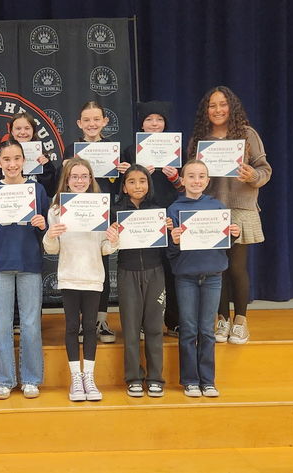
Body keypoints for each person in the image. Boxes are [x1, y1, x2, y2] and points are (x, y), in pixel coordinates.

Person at [189, 86, 272, 345]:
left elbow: (265, 169)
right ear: (206, 110)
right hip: (209, 209)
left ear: (231, 106)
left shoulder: (247, 134)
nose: (217, 110)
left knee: (236, 267)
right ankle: (222, 319)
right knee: (217, 270)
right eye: (212, 105)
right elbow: (191, 174)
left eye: (222, 104)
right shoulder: (200, 138)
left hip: (239, 209)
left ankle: (241, 321)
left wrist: (253, 176)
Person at [0, 139, 49, 400]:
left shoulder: (37, 190)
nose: (12, 164)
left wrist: (43, 223)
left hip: (29, 262)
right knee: (4, 325)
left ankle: (30, 379)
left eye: (17, 158)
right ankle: (4, 380)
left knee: (30, 324)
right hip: (0, 264)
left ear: (23, 160)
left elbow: (48, 228)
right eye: (6, 159)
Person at [43, 157, 118, 402]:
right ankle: (76, 378)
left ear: (90, 179)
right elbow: (52, 249)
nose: (79, 181)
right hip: (69, 276)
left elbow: (105, 248)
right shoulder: (56, 208)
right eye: (74, 176)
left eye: (84, 176)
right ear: (67, 179)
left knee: (89, 328)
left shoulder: (101, 207)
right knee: (72, 327)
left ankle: (90, 377)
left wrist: (114, 240)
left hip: (93, 276)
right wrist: (51, 236)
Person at [168, 160, 241, 398]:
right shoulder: (174, 209)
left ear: (208, 181)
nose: (196, 181)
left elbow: (225, 246)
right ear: (183, 180)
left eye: (201, 176)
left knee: (207, 331)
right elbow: (169, 252)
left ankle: (208, 381)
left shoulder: (218, 207)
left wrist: (234, 235)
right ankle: (190, 380)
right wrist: (174, 240)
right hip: (186, 277)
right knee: (189, 329)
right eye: (191, 176)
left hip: (213, 276)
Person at [119, 101, 183, 336]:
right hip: (141, 217)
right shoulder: (130, 150)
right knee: (147, 270)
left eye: (159, 119)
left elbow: (185, 186)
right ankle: (145, 323)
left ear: (165, 123)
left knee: (169, 267)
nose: (154, 124)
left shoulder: (178, 149)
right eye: (149, 119)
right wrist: (130, 170)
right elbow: (122, 185)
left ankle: (174, 320)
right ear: (141, 124)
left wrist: (175, 177)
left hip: (167, 212)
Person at [111, 163, 172, 398]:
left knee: (155, 327)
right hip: (128, 271)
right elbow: (107, 244)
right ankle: (134, 377)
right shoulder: (117, 212)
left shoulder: (158, 211)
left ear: (149, 184)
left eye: (143, 181)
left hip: (155, 271)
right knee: (131, 328)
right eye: (132, 181)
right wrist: (112, 231)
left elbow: (171, 245)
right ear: (124, 187)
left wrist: (167, 229)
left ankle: (156, 378)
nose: (138, 185)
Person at [63, 101, 117, 343]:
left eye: (97, 119)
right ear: (79, 124)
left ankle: (100, 319)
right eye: (87, 120)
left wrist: (122, 171)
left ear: (105, 121)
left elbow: (121, 186)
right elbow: (62, 183)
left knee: (100, 264)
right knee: (77, 264)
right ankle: (82, 321)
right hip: (75, 216)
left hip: (101, 213)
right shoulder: (70, 150)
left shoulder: (114, 150)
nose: (92, 124)